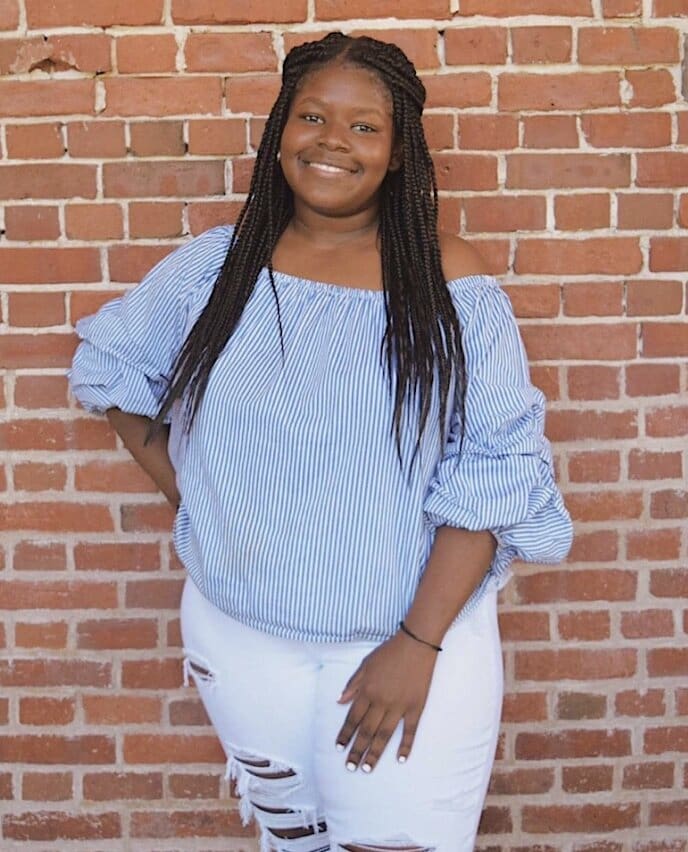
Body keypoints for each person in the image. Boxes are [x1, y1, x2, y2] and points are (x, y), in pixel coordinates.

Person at [68, 31, 572, 852]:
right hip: (238, 636)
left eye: (364, 127)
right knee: (292, 840)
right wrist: (202, 491)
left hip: (404, 649)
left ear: (400, 152)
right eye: (311, 116)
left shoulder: (450, 282)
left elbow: (496, 472)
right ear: (279, 134)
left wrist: (416, 645)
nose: (332, 141)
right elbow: (112, 366)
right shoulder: (218, 268)